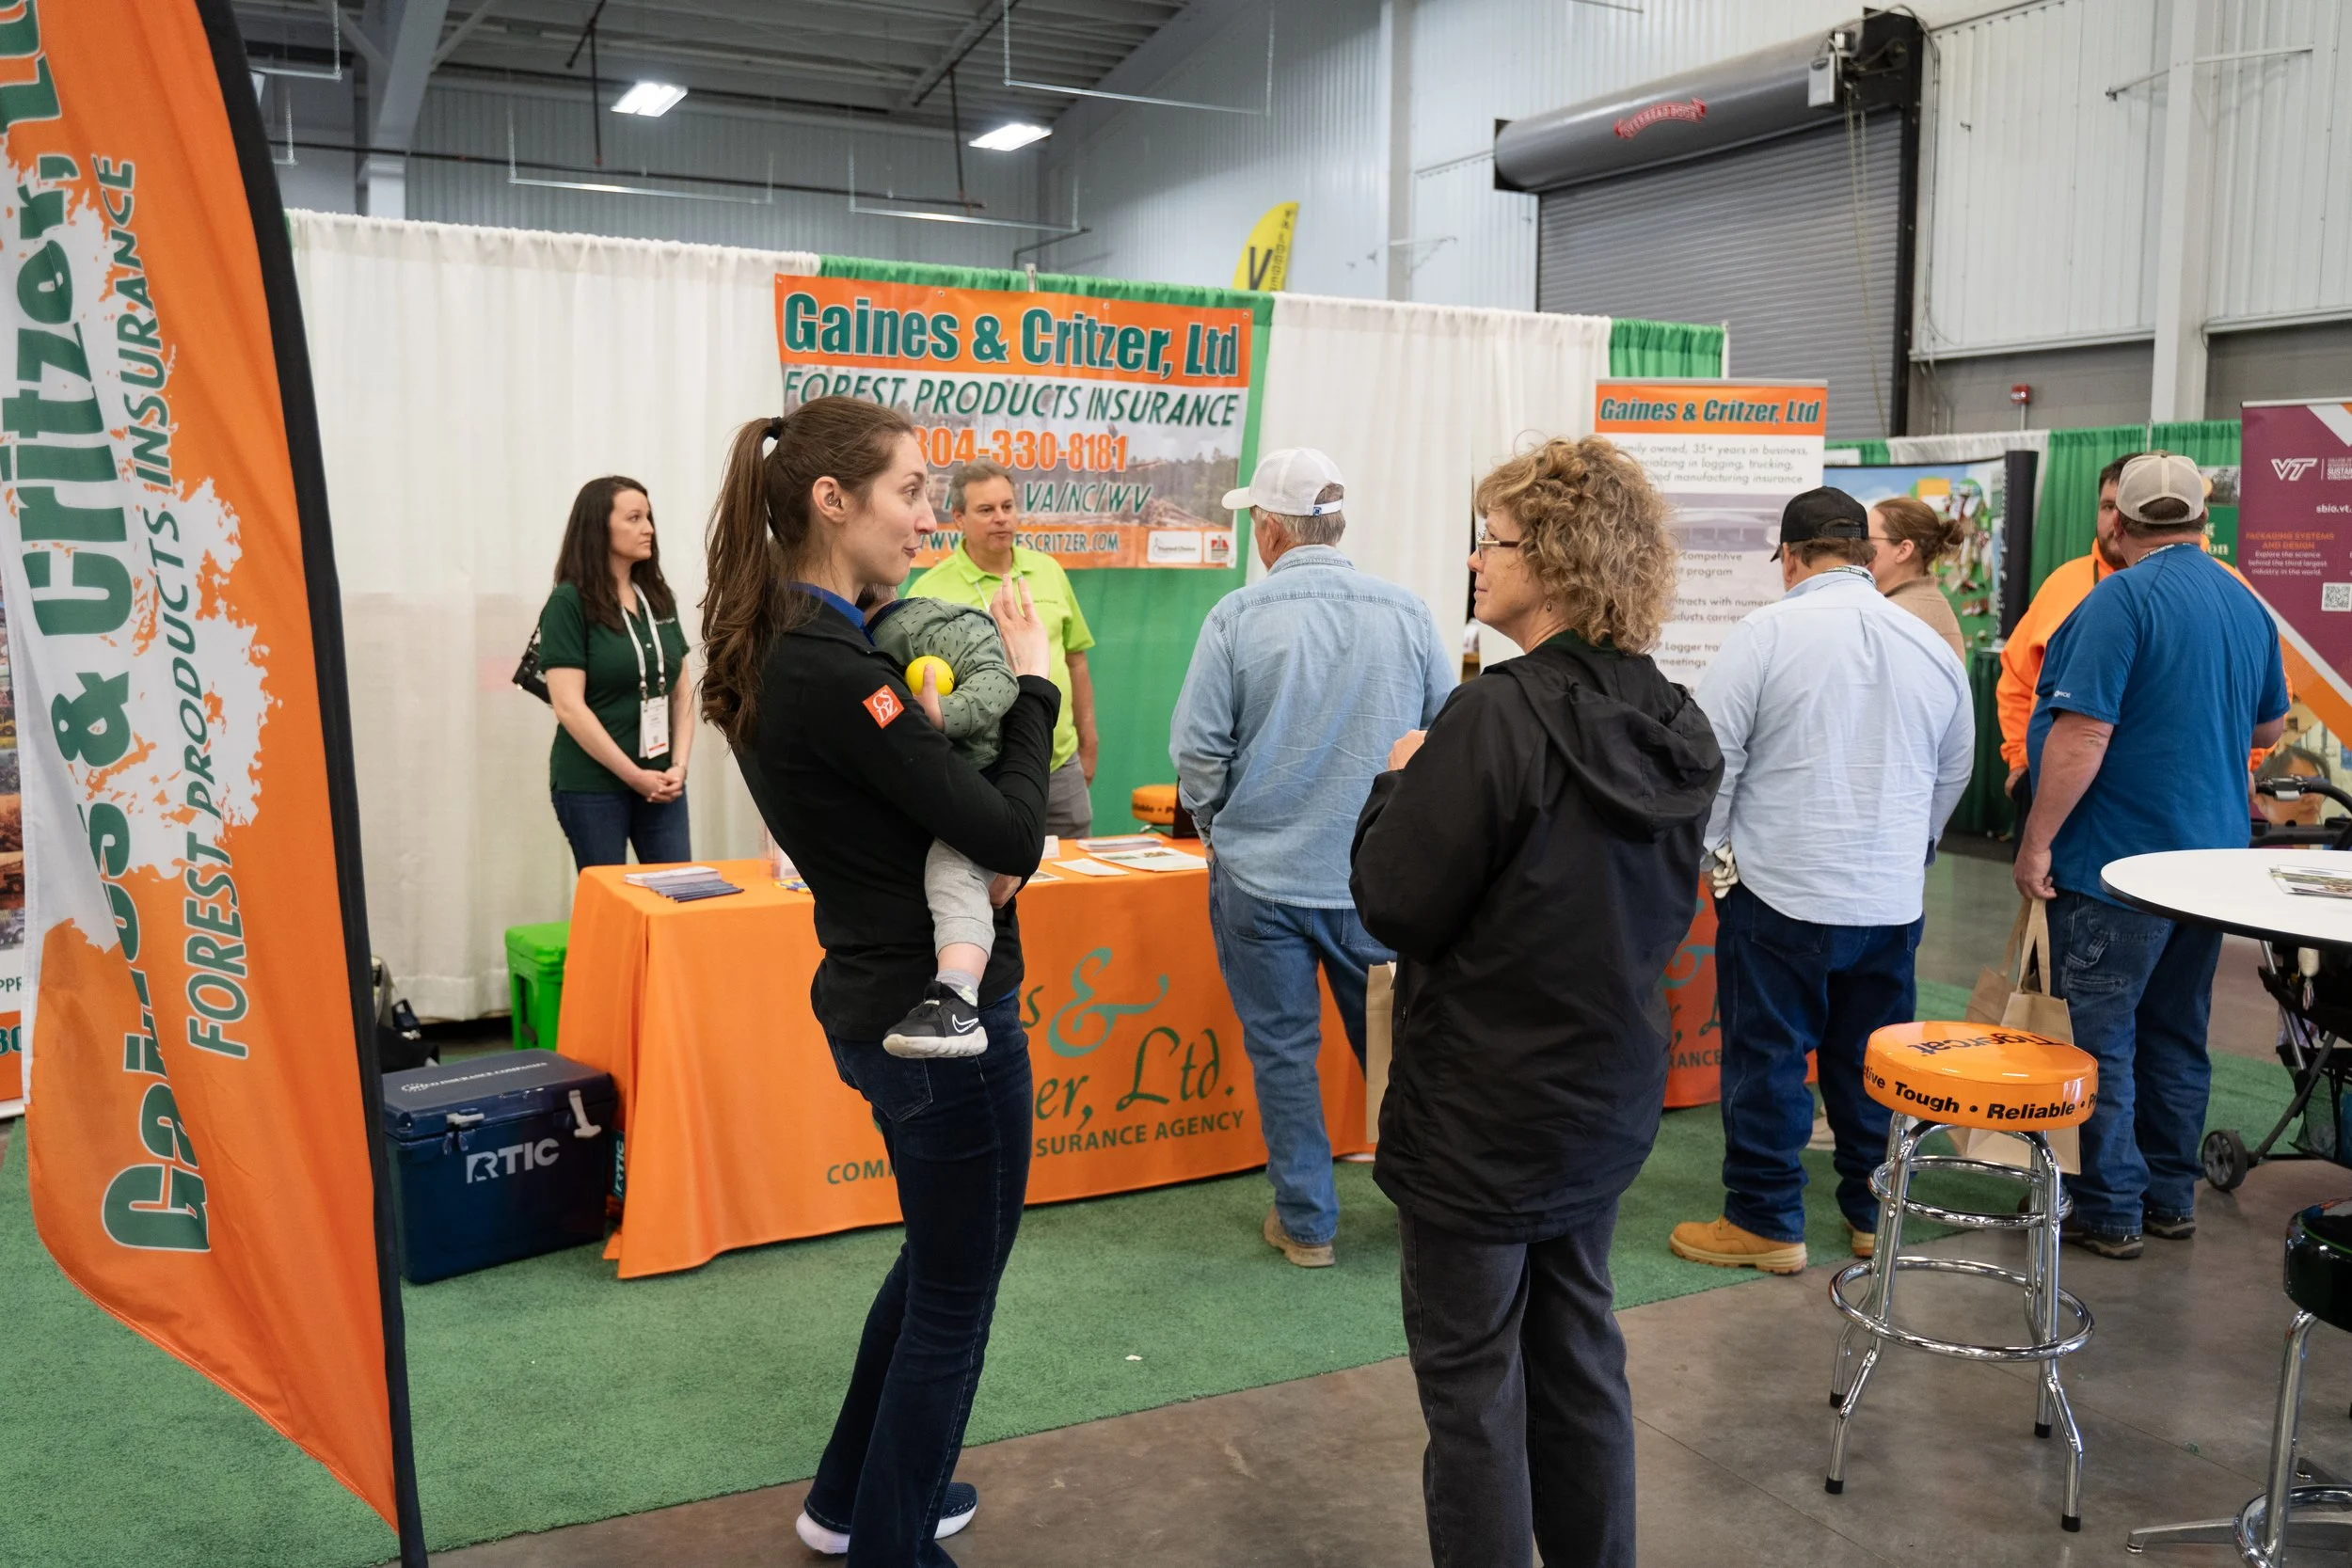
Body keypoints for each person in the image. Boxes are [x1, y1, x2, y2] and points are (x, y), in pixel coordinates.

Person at [699, 397, 1058, 1564]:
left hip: (881, 996)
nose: (927, 518)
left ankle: (851, 1499)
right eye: (910, 491)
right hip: (938, 1025)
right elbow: (1007, 832)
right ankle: (890, 1541)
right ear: (831, 499)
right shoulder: (833, 667)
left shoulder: (789, 643)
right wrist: (1033, 685)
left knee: (939, 1263)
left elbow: (934, 815)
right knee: (957, 1290)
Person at [1351, 436, 1721, 1568]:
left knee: (1472, 1387)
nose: (1474, 559)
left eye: (1492, 540)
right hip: (1602, 1096)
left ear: (1555, 557)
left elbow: (1395, 903)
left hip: (1479, 1113)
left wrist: (1399, 778)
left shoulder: (1491, 719)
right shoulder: (1673, 717)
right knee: (1579, 1355)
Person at [1669, 488, 1974, 1275]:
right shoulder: (1928, 644)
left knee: (1769, 1057)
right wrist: (1913, 846)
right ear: (1866, 556)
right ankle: (1873, 1214)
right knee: (1872, 1063)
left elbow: (1712, 759)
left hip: (1781, 888)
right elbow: (1954, 766)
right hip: (1890, 898)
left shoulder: (1765, 634)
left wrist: (1714, 854)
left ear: (1793, 558)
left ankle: (1765, 1218)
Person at [1171, 447, 1454, 1268]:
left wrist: (1219, 828)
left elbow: (1197, 751)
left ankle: (1306, 1225)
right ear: (1336, 522)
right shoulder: (1407, 612)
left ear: (1269, 529)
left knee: (1284, 1053)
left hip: (1260, 878)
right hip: (1378, 881)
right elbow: (1448, 735)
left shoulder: (1236, 618)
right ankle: (1431, 1213)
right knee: (1398, 1053)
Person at [2016, 451, 2289, 1259]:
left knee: (2099, 1037)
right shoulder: (2244, 605)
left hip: (2117, 867)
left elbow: (2082, 736)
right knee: (2176, 1032)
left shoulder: (2119, 600)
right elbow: (2269, 727)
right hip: (2208, 871)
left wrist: (2037, 840)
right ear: (2204, 521)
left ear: (2120, 523)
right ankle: (2169, 1195)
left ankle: (2107, 1206)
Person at [863, 583, 1023, 1057]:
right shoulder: (850, 644)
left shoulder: (932, 626)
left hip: (979, 780)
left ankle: (956, 1001)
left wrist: (940, 714)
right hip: (930, 791)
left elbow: (999, 681)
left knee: (952, 874)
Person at [911, 459, 1099, 836]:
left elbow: (1075, 660)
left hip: (1058, 764)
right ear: (959, 518)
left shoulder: (1048, 571)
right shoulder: (929, 591)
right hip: (978, 772)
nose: (1000, 518)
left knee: (1071, 873)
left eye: (1007, 506)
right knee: (991, 872)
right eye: (986, 510)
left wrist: (1088, 742)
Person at [537, 475, 694, 871]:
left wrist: (678, 766)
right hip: (592, 786)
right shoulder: (568, 602)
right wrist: (634, 776)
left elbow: (682, 694)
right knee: (609, 900)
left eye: (649, 517)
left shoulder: (658, 597)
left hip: (661, 781)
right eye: (634, 518)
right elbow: (568, 706)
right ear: (598, 528)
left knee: (677, 892)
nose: (649, 529)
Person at [1866, 495, 1967, 661]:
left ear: (1903, 550)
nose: (1857, 548)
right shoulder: (1928, 604)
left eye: (1868, 540)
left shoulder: (1892, 614)